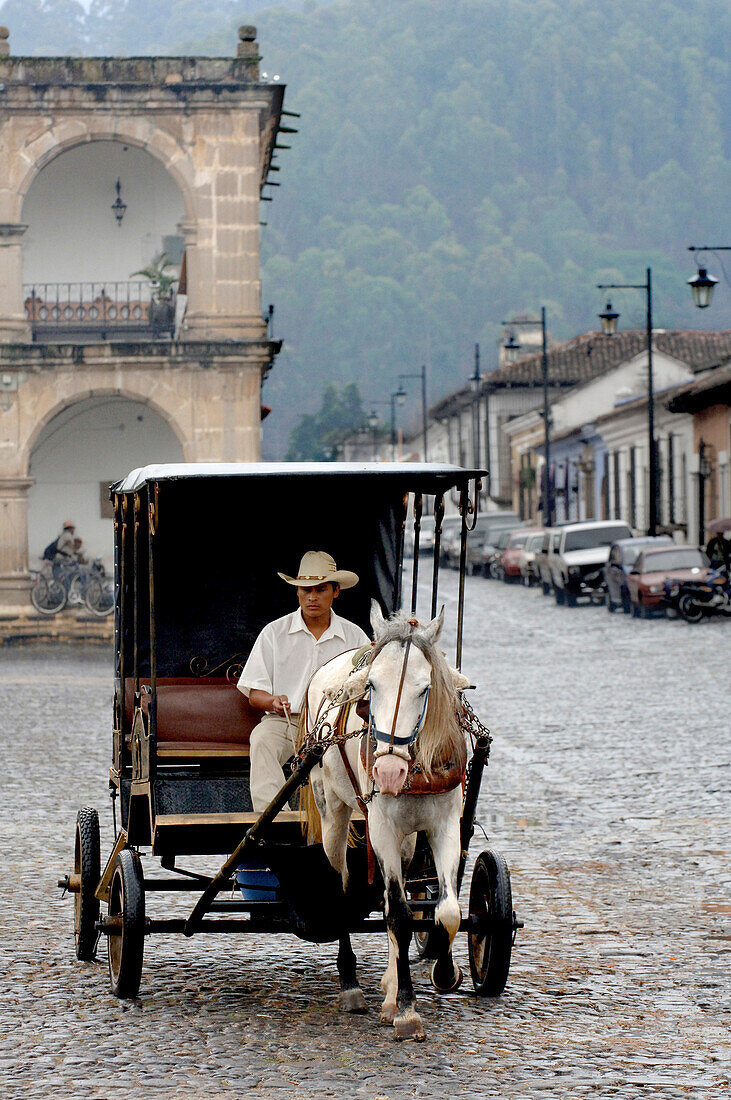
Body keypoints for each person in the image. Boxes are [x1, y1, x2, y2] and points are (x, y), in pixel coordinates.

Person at [237, 551, 370, 812]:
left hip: (337, 726)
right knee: (262, 738)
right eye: (305, 590)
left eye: (320, 590)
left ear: (336, 591)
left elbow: (368, 688)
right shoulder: (274, 633)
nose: (312, 597)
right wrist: (273, 701)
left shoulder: (355, 637)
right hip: (287, 721)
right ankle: (272, 820)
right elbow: (254, 694)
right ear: (297, 592)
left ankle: (364, 813)